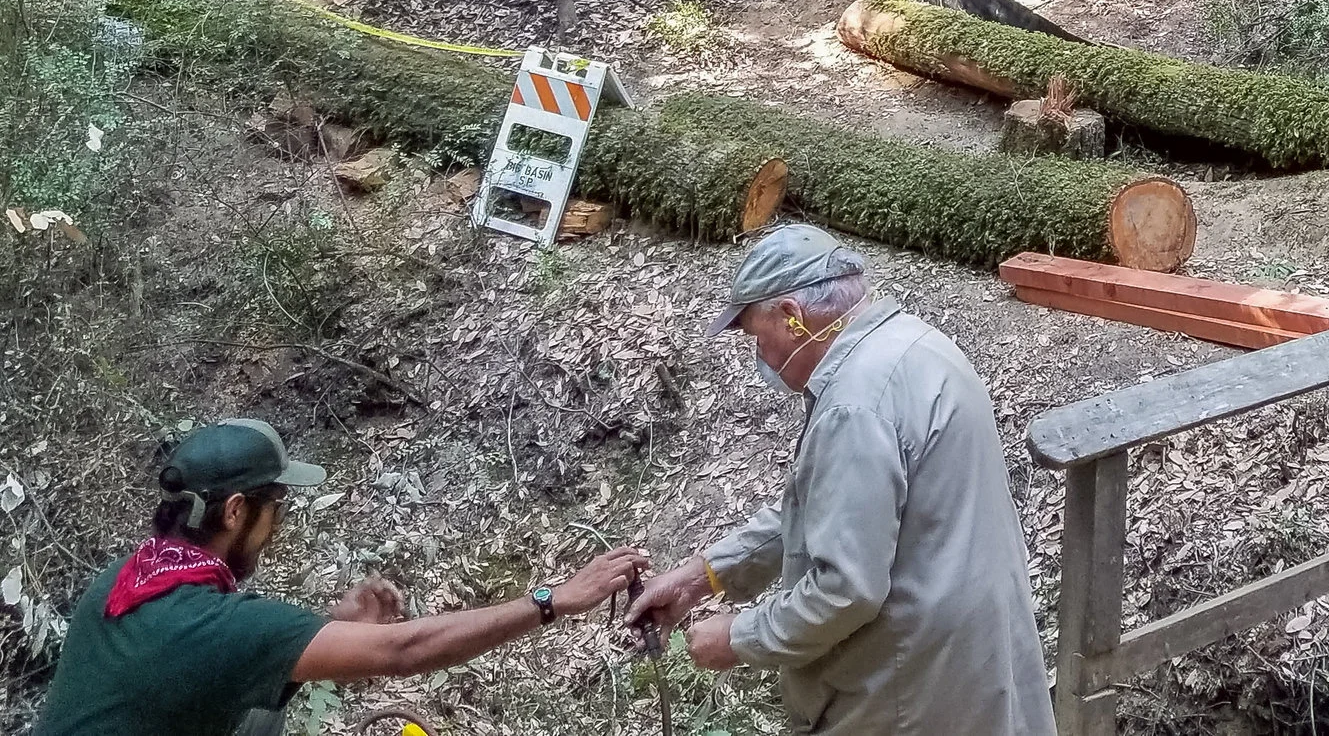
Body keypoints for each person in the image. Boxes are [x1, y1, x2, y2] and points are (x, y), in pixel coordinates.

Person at [624, 226, 1052, 736]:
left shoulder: (854, 405)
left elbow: (846, 589)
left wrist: (739, 636)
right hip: (972, 654)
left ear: (792, 317)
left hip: (907, 687)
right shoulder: (913, 343)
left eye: (759, 336)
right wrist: (706, 575)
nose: (760, 354)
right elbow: (830, 512)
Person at [33, 418, 646, 736]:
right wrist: (554, 600)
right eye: (278, 507)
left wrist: (329, 628)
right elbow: (405, 651)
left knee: (259, 714)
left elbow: (216, 660)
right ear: (236, 511)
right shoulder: (213, 623)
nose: (280, 525)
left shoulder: (128, 577)